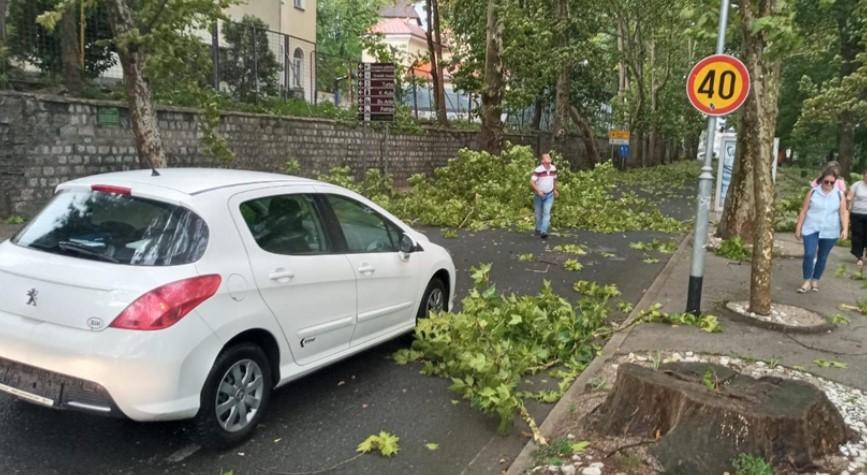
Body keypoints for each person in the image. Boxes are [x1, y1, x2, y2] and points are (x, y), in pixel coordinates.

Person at [795, 169, 849, 293]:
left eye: (832, 182)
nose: (829, 184)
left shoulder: (839, 194)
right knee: (809, 254)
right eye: (826, 182)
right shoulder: (813, 192)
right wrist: (798, 228)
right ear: (821, 180)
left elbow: (843, 212)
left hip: (830, 230)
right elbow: (804, 211)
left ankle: (815, 279)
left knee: (822, 257)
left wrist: (845, 229)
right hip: (811, 228)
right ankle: (806, 280)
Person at [530, 153, 559, 240]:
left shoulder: (553, 168)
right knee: (538, 214)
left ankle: (543, 231)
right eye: (546, 157)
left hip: (549, 194)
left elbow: (554, 179)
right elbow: (531, 182)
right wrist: (538, 190)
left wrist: (555, 190)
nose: (548, 158)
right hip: (539, 195)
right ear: (542, 161)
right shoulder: (538, 170)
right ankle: (538, 229)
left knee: (547, 212)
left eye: (549, 157)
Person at [847, 167, 867, 268]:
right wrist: (848, 201)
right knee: (858, 235)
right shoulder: (857, 185)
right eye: (866, 175)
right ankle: (859, 256)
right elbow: (850, 196)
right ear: (864, 176)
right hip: (857, 214)